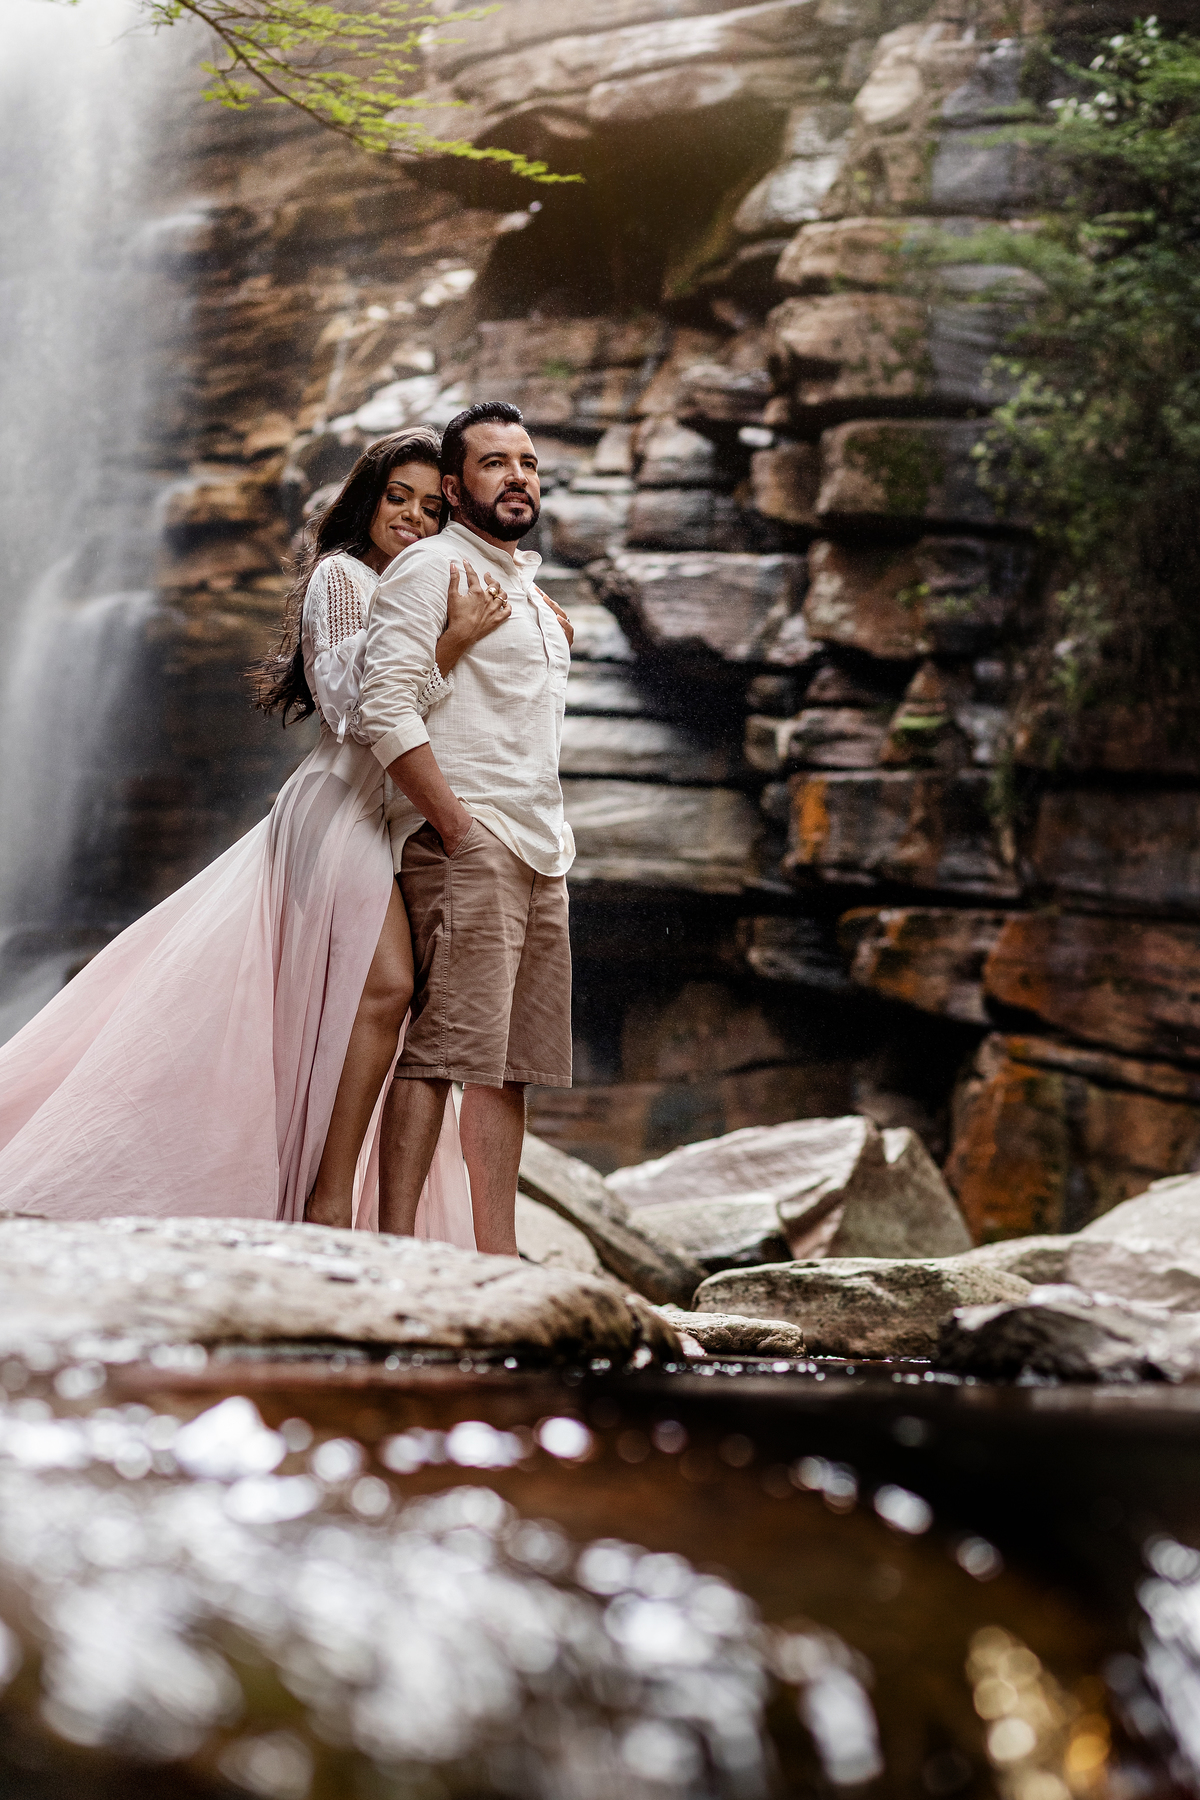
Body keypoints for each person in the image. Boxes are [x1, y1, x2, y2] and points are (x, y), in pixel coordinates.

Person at [0, 428, 503, 1237]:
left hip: (393, 814)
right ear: (367, 503)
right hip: (338, 806)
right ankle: (328, 1201)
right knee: (387, 988)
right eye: (393, 497)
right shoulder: (343, 578)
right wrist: (454, 642)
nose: (409, 516)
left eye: (426, 503)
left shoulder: (431, 586)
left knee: (365, 1000)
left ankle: (333, 1192)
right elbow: (352, 707)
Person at [357, 400, 576, 1257]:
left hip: (540, 848)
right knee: (441, 1053)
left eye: (526, 462)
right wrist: (454, 826)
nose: (517, 476)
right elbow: (383, 707)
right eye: (494, 463)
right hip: (468, 842)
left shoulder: (526, 585)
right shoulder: (428, 570)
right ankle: (399, 1253)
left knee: (510, 1066)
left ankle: (497, 1258)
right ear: (454, 485)